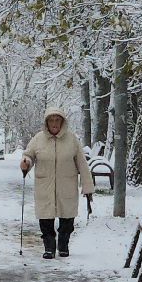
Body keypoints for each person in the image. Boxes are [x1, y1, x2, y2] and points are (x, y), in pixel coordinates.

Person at [19, 107, 92, 259]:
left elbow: (82, 164)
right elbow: (28, 155)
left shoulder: (72, 140)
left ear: (62, 122)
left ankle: (63, 245)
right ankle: (49, 247)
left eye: (57, 120)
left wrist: (87, 187)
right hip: (44, 185)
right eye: (51, 120)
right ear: (46, 123)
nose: (54, 123)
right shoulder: (38, 139)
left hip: (67, 186)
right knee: (45, 219)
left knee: (67, 218)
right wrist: (26, 162)